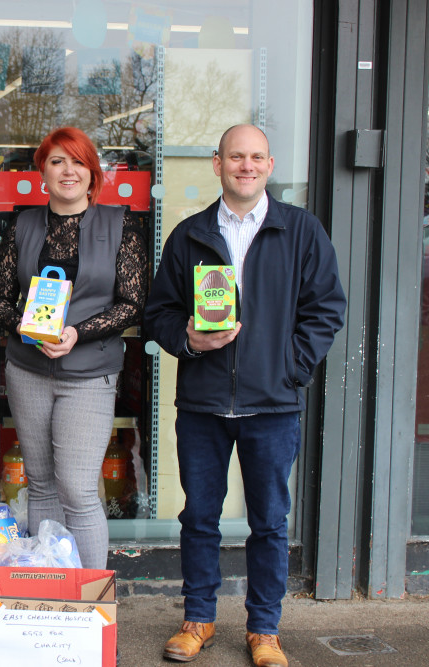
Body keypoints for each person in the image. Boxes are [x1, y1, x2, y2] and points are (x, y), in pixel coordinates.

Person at [144, 124, 346, 667]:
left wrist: (291, 369)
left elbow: (326, 309)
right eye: (237, 156)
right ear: (218, 164)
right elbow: (158, 313)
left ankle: (264, 629)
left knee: (270, 522)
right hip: (204, 404)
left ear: (270, 164)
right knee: (199, 519)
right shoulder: (188, 235)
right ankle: (198, 621)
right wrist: (188, 337)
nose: (246, 165)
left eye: (256, 157)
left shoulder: (301, 231)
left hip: (273, 406)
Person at [0, 126, 147, 569]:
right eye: (57, 161)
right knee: (39, 484)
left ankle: (95, 598)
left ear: (92, 172)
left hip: (89, 375)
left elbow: (133, 303)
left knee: (77, 489)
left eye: (77, 161)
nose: (68, 170)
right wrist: (25, 329)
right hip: (27, 370)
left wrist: (78, 333)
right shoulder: (22, 225)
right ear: (43, 172)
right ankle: (49, 590)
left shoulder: (120, 225)